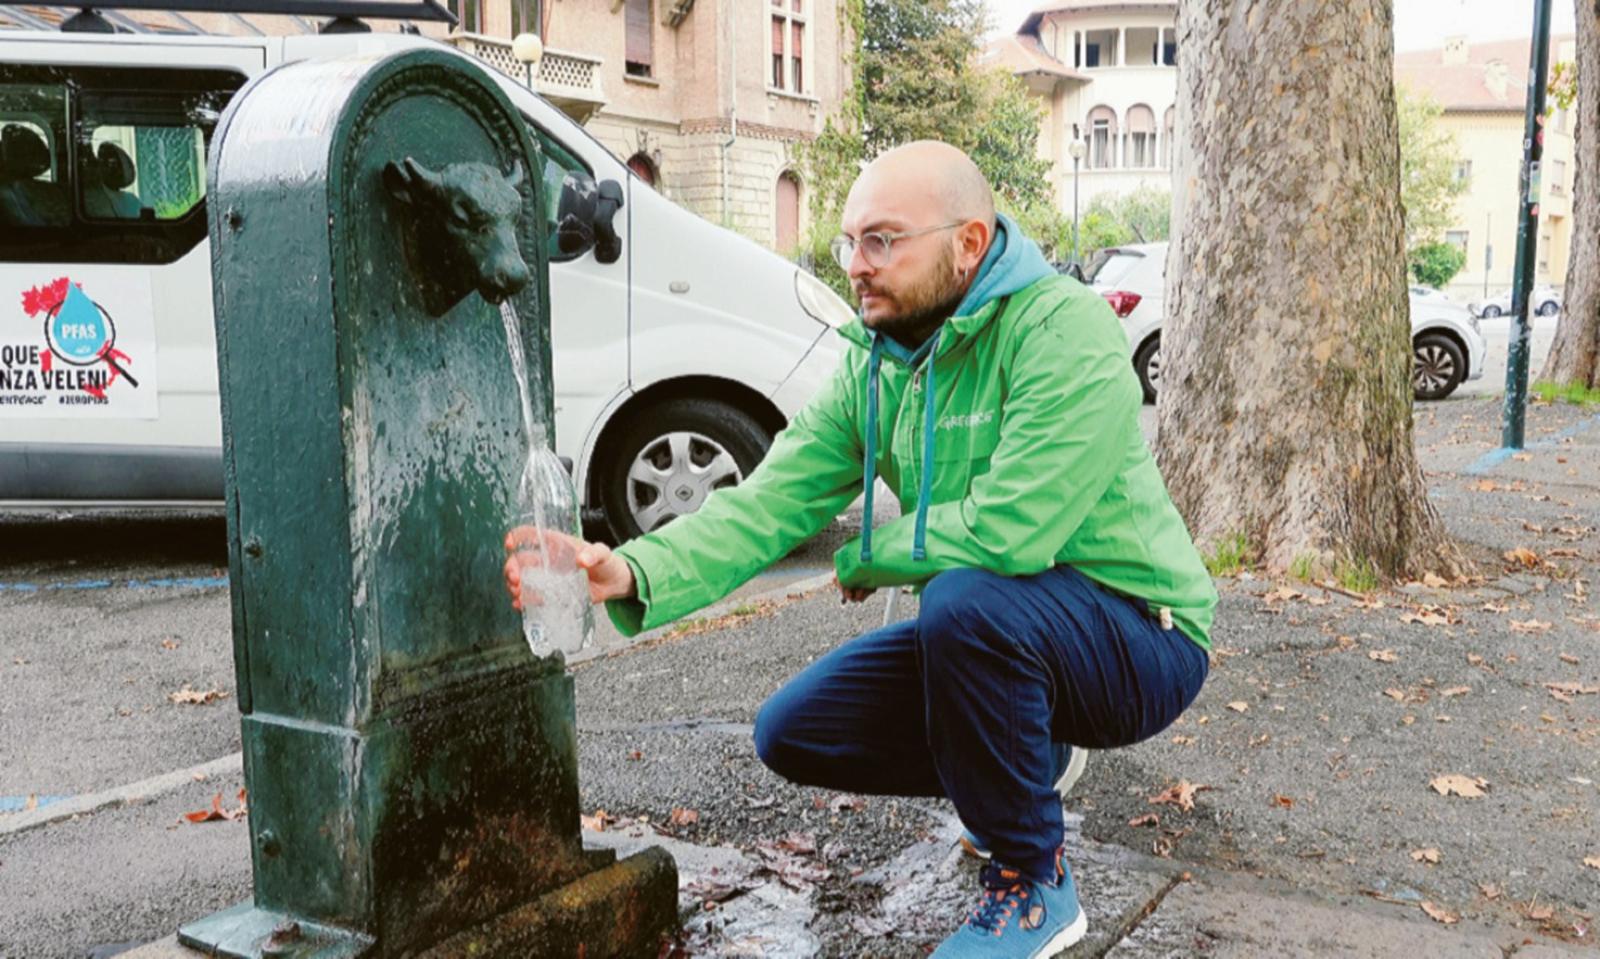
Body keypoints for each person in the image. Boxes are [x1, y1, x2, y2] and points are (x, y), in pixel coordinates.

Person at [505, 140, 1217, 958]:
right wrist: (630, 565)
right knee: (793, 729)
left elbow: (1012, 532)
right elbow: (768, 501)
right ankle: (1032, 756)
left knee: (965, 600)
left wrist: (863, 556)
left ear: (969, 243)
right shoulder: (877, 365)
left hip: (1141, 634)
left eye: (883, 240)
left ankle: (1033, 881)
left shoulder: (1065, 329)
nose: (857, 264)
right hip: (1009, 633)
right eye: (849, 241)